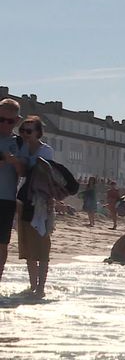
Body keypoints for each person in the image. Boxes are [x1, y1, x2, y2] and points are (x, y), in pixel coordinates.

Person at [17, 116, 54, 298]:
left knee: (42, 247)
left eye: (29, 131)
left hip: (42, 201)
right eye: (22, 130)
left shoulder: (46, 151)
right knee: (29, 247)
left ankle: (41, 287)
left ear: (38, 133)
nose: (25, 134)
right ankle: (33, 286)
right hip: (25, 199)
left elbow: (44, 175)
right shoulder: (22, 148)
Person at [0, 98, 26, 285]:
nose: (4, 124)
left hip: (6, 199)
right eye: (0, 119)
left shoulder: (18, 142)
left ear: (17, 121)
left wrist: (14, 162)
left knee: (2, 244)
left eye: (9, 121)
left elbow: (25, 172)